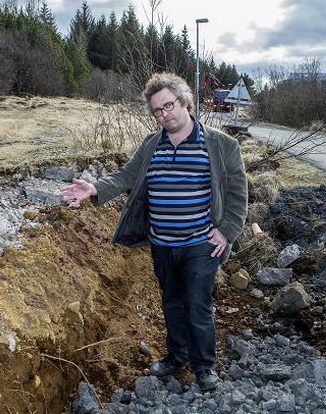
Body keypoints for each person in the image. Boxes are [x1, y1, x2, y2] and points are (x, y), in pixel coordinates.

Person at [59, 72, 247, 391]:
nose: (164, 114)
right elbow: (126, 175)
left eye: (168, 105)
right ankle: (177, 356)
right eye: (157, 110)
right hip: (162, 243)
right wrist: (93, 189)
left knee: (197, 304)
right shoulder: (152, 144)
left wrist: (227, 231)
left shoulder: (221, 144)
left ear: (185, 101)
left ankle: (203, 367)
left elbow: (238, 193)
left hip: (201, 244)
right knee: (172, 303)